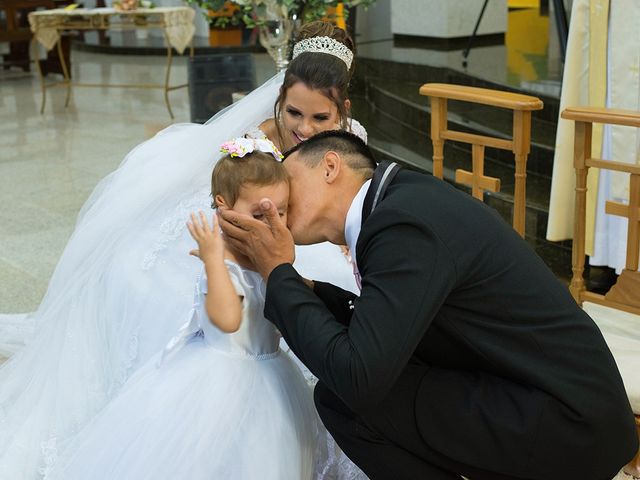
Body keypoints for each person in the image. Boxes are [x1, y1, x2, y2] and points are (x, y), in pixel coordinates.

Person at [0, 22, 365, 479]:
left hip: (312, 233)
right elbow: (235, 190)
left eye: (321, 119)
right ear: (280, 99)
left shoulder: (354, 140)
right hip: (260, 224)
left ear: (343, 112)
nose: (304, 129)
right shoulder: (259, 142)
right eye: (294, 113)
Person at [219, 130, 639, 480]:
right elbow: (388, 325)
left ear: (330, 167)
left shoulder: (403, 224)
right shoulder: (401, 200)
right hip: (550, 399)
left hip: (567, 425)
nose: (277, 205)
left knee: (344, 399)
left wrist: (280, 272)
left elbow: (358, 376)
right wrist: (306, 287)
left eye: (286, 185)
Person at [42, 140, 320, 480]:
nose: (271, 223)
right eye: (259, 214)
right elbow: (228, 319)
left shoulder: (268, 257)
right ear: (224, 206)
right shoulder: (223, 263)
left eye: (281, 211)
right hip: (222, 385)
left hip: (270, 377)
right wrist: (213, 261)